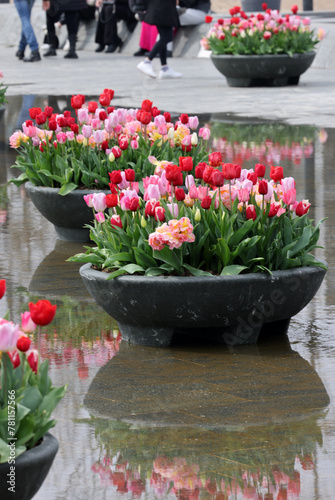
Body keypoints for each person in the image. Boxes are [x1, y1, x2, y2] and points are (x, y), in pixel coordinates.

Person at [137, 0, 181, 79]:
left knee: (164, 36)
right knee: (166, 37)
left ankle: (164, 68)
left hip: (162, 7)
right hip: (162, 7)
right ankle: (147, 61)